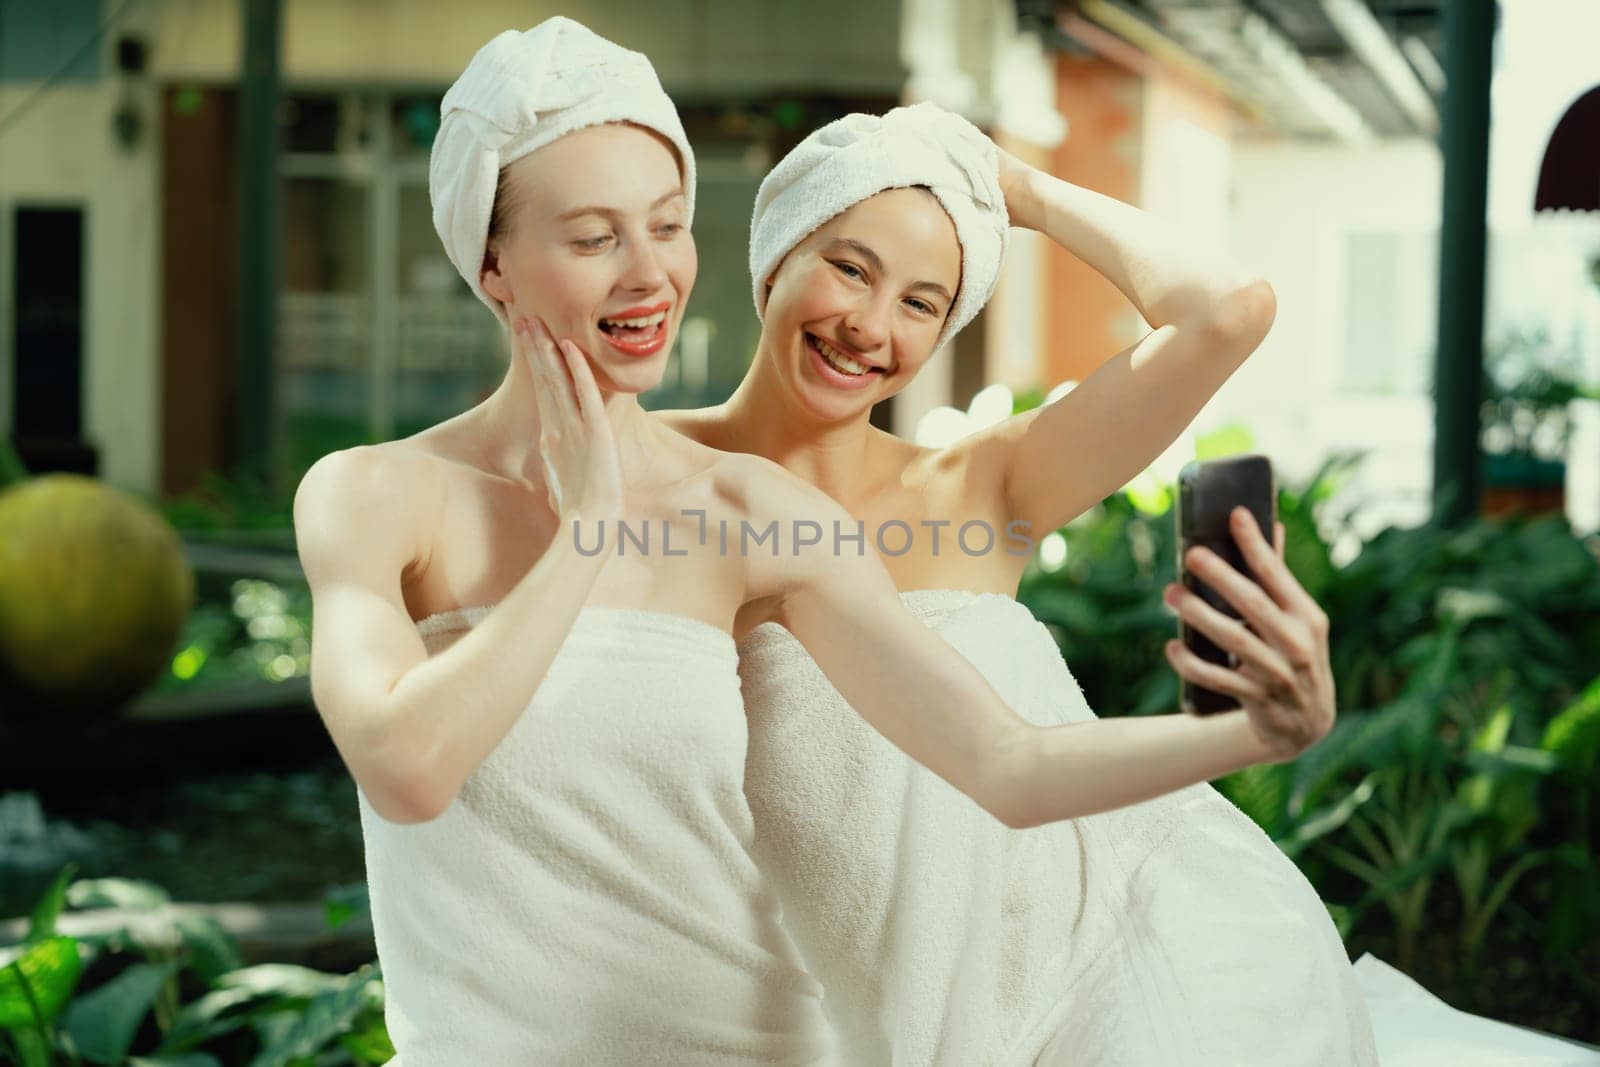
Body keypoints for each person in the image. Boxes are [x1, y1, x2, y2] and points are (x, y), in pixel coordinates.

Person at [293, 22, 1331, 1066]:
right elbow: (406, 766)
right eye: (595, 236)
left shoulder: (765, 507)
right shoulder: (373, 492)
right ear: (491, 258)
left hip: (849, 1021)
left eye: (668, 225)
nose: (650, 273)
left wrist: (1257, 730)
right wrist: (589, 529)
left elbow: (1006, 759)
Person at [659, 104, 1379, 1065]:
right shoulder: (639, 473)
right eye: (850, 267)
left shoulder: (981, 483)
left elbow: (1229, 309)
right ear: (775, 258)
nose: (870, 327)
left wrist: (1020, 188)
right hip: (879, 1021)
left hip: (1149, 950)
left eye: (923, 302)